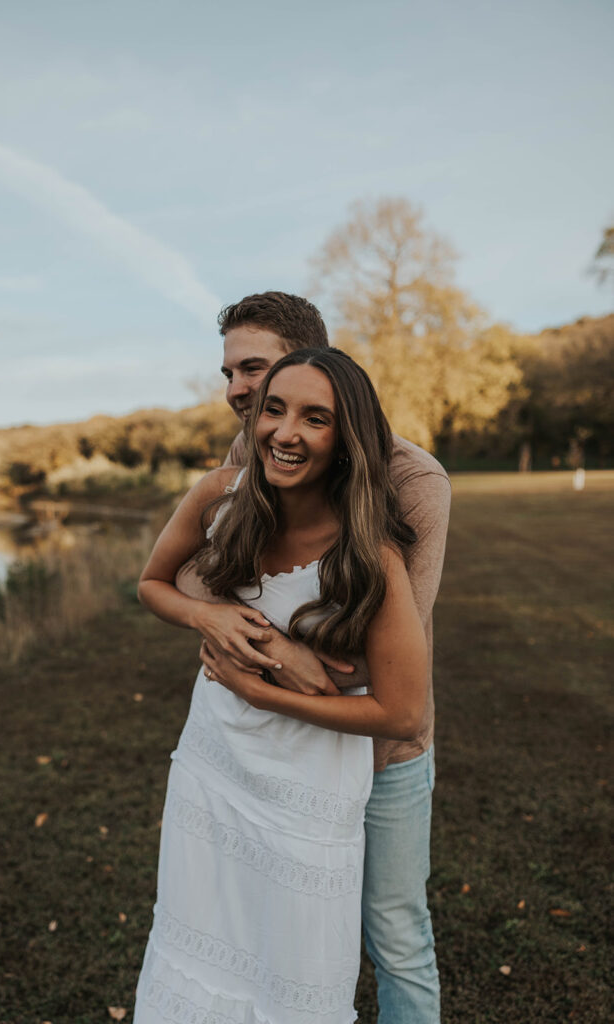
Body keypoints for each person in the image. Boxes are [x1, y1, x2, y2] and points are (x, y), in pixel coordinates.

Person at [133, 348, 428, 1023]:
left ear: (345, 438)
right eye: (273, 409)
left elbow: (403, 712)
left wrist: (270, 694)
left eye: (313, 418)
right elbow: (151, 584)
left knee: (295, 963)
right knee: (198, 937)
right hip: (213, 765)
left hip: (309, 786)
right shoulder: (218, 495)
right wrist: (204, 612)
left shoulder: (369, 554)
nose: (283, 432)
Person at [192, 292, 451, 1024]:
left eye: (253, 369)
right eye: (232, 376)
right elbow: (196, 572)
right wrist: (240, 629)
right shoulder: (247, 456)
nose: (239, 391)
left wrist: (257, 658)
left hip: (379, 757)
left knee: (394, 933)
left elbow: (371, 660)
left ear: (315, 365)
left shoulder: (413, 481)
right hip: (271, 761)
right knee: (271, 931)